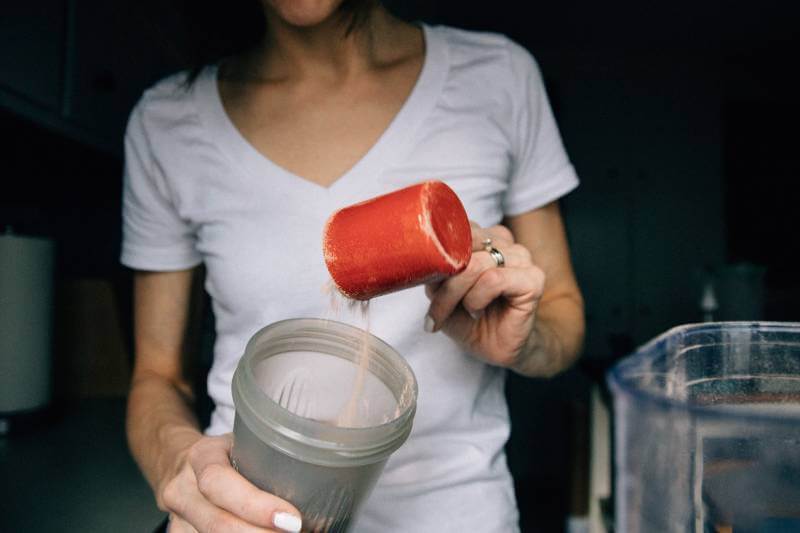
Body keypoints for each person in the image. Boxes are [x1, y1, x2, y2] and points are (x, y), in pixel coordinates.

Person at [121, 0, 585, 531]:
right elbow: (157, 377)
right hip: (250, 513)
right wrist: (183, 464)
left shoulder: (499, 77)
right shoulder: (167, 122)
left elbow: (564, 318)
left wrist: (525, 340)